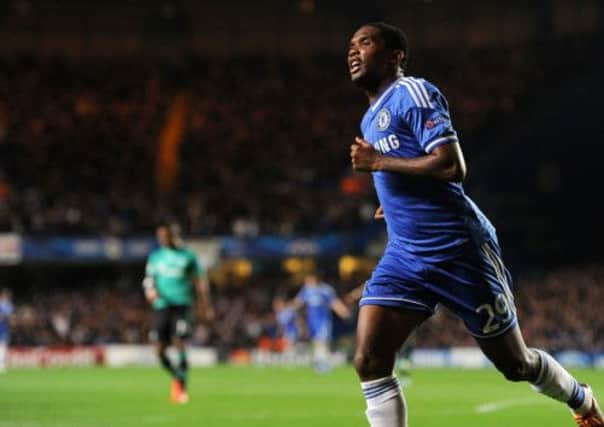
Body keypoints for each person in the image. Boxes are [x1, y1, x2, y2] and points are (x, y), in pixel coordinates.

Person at [347, 22, 602, 427]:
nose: (353, 51)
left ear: (395, 56)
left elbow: (451, 165)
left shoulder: (413, 93)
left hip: (458, 249)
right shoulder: (369, 119)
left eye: (365, 42)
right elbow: (409, 171)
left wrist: (378, 163)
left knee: (515, 364)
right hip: (406, 254)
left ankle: (580, 397)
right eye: (351, 46)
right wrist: (392, 202)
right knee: (370, 359)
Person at [143, 223, 214, 404]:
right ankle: (177, 376)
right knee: (159, 349)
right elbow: (149, 279)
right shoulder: (155, 257)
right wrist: (150, 291)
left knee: (179, 342)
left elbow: (200, 280)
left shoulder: (187, 256)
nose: (162, 239)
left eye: (165, 236)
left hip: (182, 305)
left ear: (174, 235)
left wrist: (205, 304)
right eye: (160, 236)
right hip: (162, 306)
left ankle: (181, 387)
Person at [291, 273, 351, 372]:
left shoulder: (326, 290)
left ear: (315, 279)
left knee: (323, 341)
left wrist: (343, 312)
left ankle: (323, 364)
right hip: (311, 321)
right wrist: (289, 309)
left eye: (308, 281)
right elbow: (298, 302)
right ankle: (319, 363)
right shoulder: (306, 290)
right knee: (317, 341)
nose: (307, 283)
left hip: (323, 320)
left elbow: (334, 302)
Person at [0, 288, 14, 373]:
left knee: (3, 346)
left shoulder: (8, 306)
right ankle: (1, 364)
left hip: (4, 328)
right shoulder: (6, 306)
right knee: (2, 346)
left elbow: (9, 317)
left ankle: (2, 364)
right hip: (3, 327)